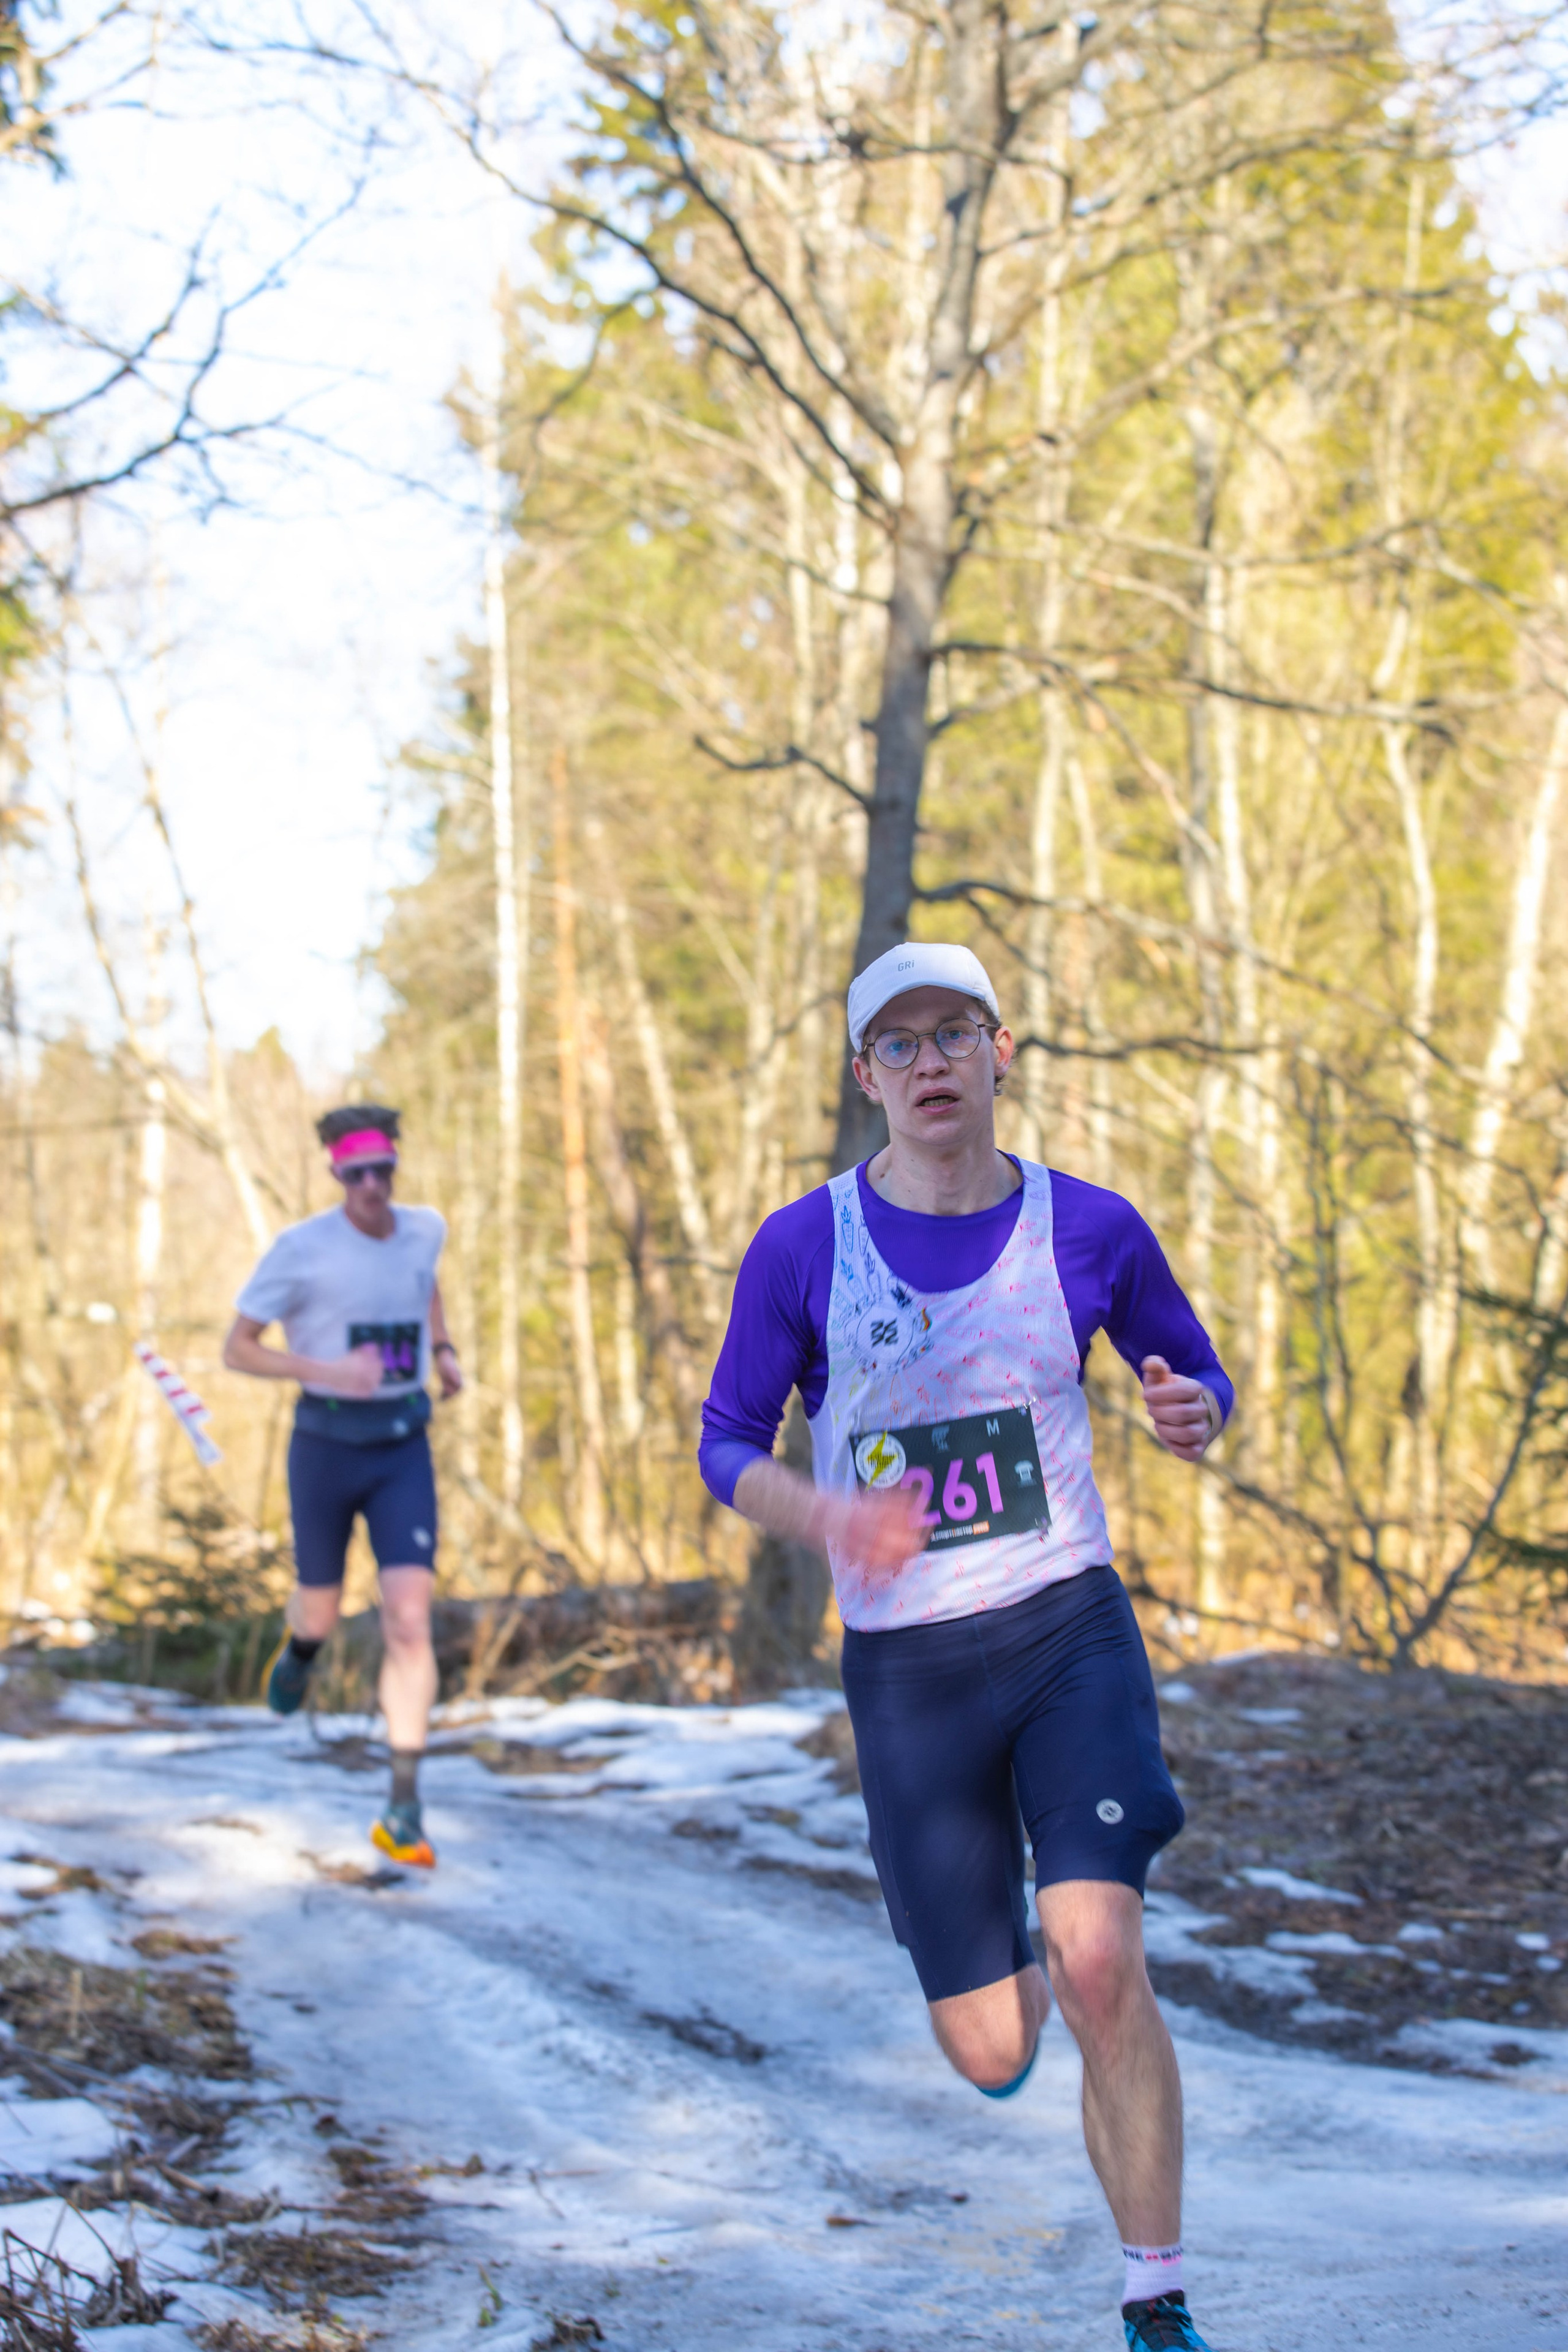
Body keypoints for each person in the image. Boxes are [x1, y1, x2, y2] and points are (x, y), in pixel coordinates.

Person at [700, 942, 1232, 2352]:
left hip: (1066, 1625)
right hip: (910, 1674)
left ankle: (1153, 2289)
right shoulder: (801, 1244)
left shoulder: (1090, 1227)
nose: (928, 1061)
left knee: (1098, 1952)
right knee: (992, 2044)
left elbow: (1190, 1365)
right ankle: (979, 1939)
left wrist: (1192, 1411)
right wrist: (819, 1506)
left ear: (1001, 1051)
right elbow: (723, 1444)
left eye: (952, 1033)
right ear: (862, 1073)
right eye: (897, 1043)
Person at [223, 1104, 461, 1869]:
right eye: (355, 1173)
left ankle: (403, 1804)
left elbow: (425, 1285)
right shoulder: (301, 1250)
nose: (370, 1186)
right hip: (325, 1444)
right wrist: (330, 1372)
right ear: (335, 1174)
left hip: (402, 1444)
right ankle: (301, 1651)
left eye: (382, 1170)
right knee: (321, 1608)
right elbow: (238, 1350)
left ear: (394, 1168)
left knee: (409, 1620)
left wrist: (445, 1349)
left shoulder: (423, 1229)